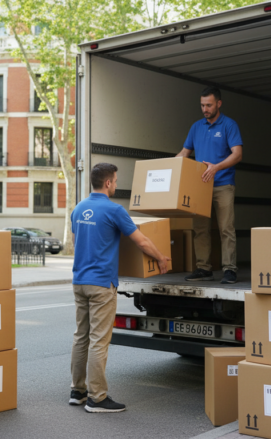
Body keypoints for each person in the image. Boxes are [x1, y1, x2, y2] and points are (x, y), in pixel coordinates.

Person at [69, 163, 170, 413]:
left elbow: (76, 242)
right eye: (115, 180)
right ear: (108, 183)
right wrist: (161, 258)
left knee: (81, 336)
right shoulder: (115, 210)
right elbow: (142, 241)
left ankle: (77, 391)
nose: (115, 184)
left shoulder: (78, 209)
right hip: (102, 283)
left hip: (79, 282)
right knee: (99, 341)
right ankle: (97, 398)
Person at [176, 86, 243, 284]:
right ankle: (203, 268)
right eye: (202, 105)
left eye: (209, 105)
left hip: (223, 184)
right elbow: (184, 153)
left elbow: (237, 154)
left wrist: (216, 168)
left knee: (226, 229)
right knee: (201, 229)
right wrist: (168, 166)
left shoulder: (229, 125)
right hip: (200, 187)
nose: (205, 109)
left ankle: (229, 269)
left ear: (219, 104)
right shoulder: (196, 127)